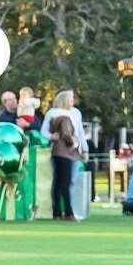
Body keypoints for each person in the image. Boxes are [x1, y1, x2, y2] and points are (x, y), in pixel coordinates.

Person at [44, 90, 82, 220]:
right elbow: (67, 134)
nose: (73, 102)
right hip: (65, 151)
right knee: (65, 181)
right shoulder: (65, 116)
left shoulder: (52, 114)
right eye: (71, 99)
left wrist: (51, 136)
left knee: (58, 182)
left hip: (56, 151)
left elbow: (44, 132)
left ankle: (57, 212)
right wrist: (74, 144)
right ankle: (69, 211)